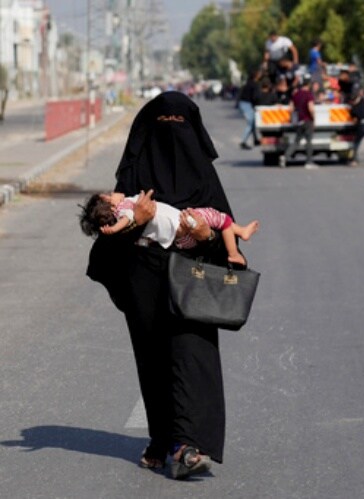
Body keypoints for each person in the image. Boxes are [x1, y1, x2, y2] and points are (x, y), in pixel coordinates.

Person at [86, 92, 238, 480]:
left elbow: (223, 228)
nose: (173, 134)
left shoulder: (204, 177)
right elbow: (106, 232)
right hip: (143, 275)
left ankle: (188, 444)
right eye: (163, 124)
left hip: (192, 273)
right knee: (153, 358)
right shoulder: (132, 178)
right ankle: (161, 440)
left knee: (192, 353)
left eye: (180, 124)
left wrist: (205, 234)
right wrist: (135, 220)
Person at [79, 191, 259, 266]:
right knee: (222, 220)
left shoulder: (129, 201)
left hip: (193, 277)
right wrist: (137, 223)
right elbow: (113, 250)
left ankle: (235, 244)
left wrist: (208, 236)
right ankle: (237, 242)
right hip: (154, 287)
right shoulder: (125, 207)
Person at [280, 75, 317, 169]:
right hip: (307, 120)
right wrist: (314, 119)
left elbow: (291, 108)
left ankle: (285, 157)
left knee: (296, 141)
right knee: (309, 141)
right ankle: (309, 162)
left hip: (299, 121)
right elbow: (311, 108)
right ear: (309, 84)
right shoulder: (309, 94)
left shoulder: (296, 94)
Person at [237, 71, 261, 150]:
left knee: (252, 123)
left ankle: (255, 140)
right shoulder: (254, 84)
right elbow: (255, 97)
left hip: (243, 103)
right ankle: (243, 142)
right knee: (250, 123)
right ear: (255, 77)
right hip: (246, 104)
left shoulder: (248, 83)